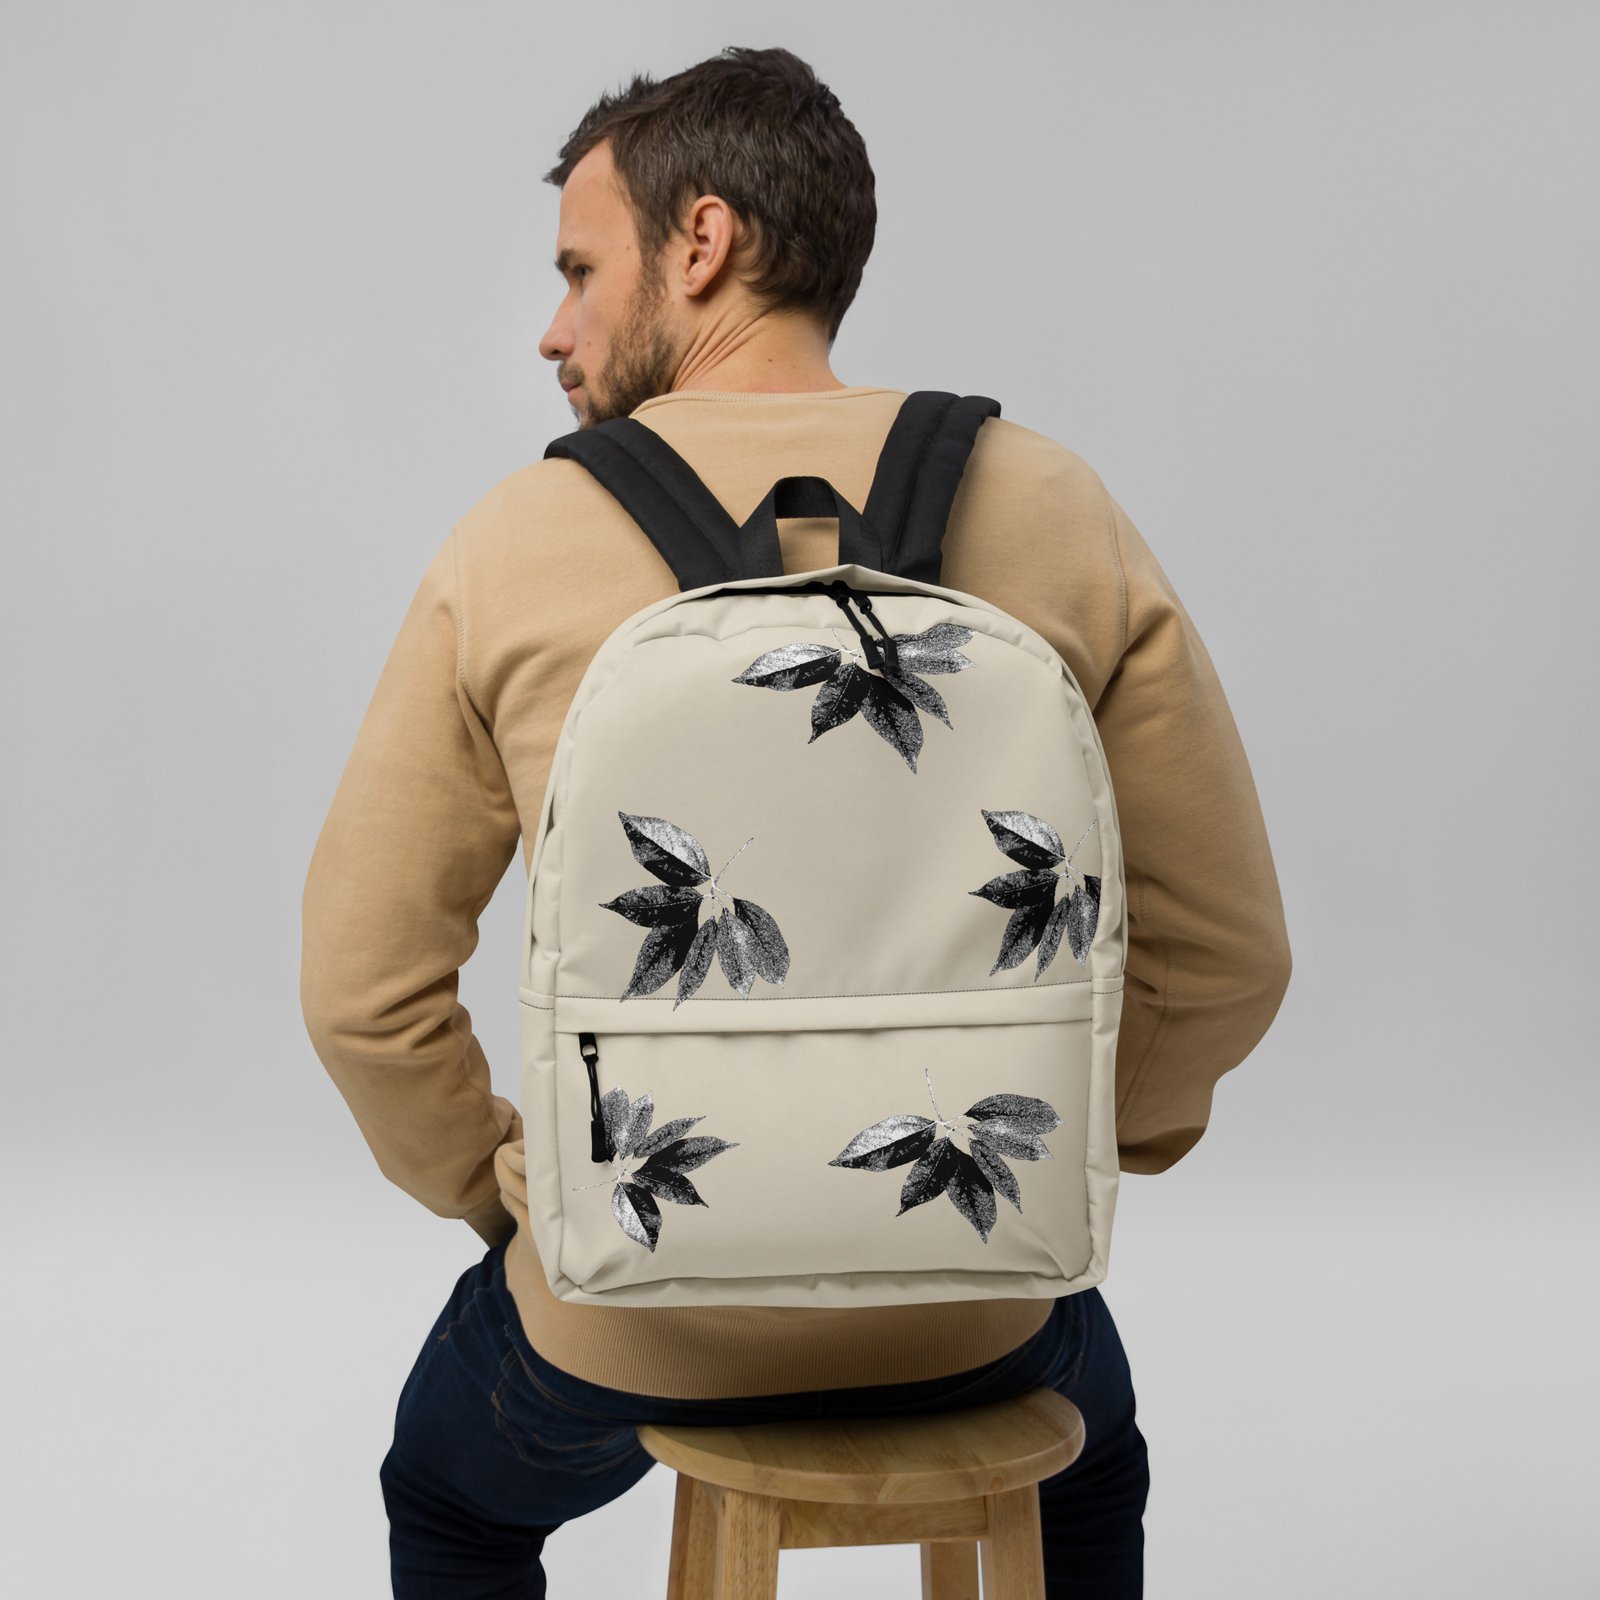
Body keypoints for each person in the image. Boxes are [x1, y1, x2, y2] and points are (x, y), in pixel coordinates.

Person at [299, 45, 1292, 1599]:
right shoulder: (1057, 505)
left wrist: (517, 1197)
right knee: (1093, 1464)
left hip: (627, 1308)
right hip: (975, 1298)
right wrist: (1084, 1143)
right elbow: (1230, 956)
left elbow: (362, 995)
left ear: (702, 241)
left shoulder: (514, 543)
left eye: (579, 270)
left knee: (453, 1502)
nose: (554, 329)